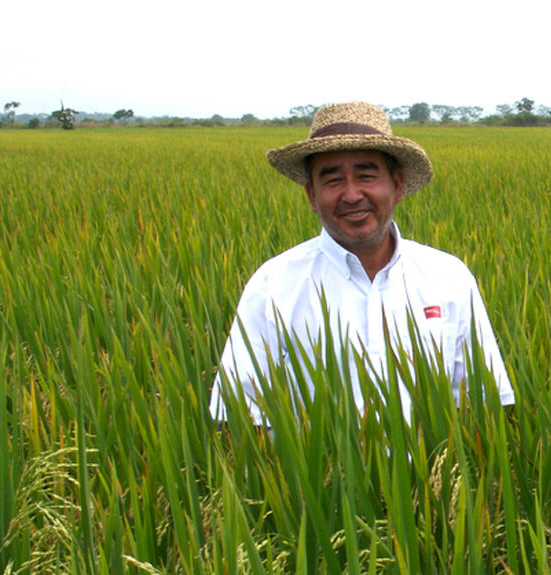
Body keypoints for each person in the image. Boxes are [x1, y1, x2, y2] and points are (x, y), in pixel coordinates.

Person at [209, 101, 514, 425]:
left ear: (397, 185)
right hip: (317, 475)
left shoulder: (448, 278)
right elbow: (241, 416)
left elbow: (481, 405)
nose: (352, 195)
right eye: (333, 180)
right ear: (312, 195)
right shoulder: (274, 284)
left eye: (366, 176)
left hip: (431, 473)